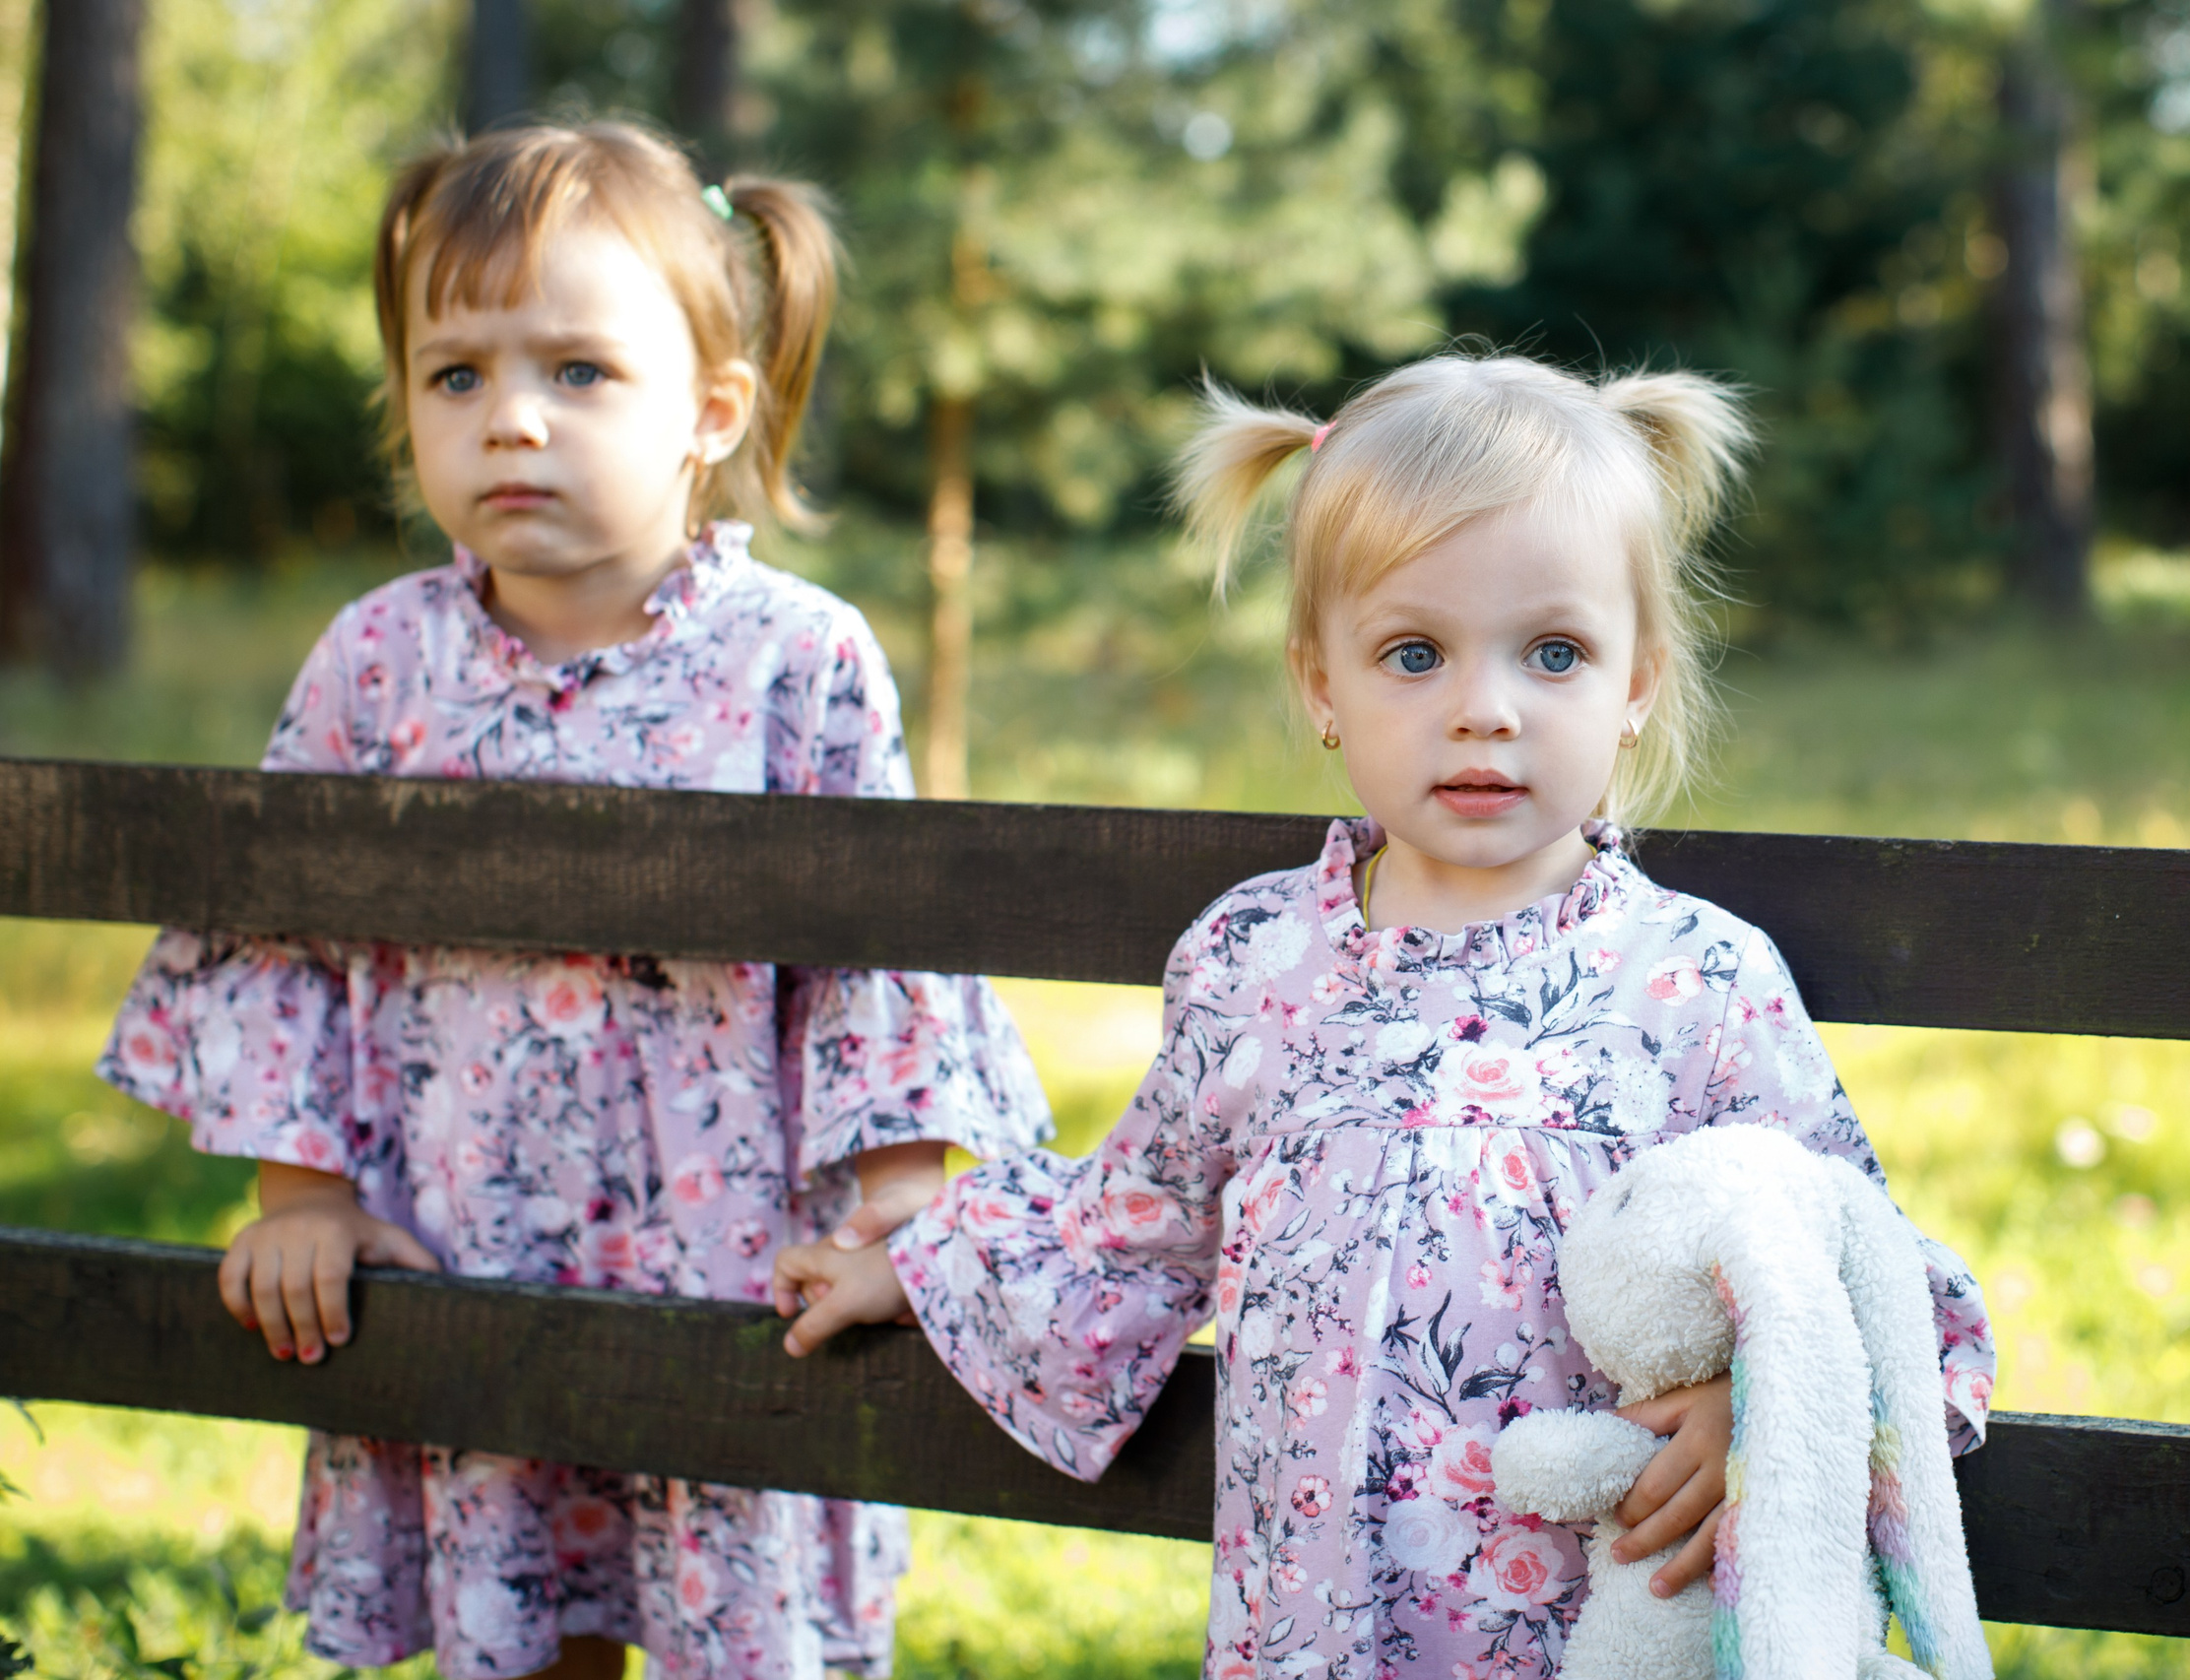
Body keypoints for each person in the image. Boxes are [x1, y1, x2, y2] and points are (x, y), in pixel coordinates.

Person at [771, 353, 1996, 1678]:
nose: (1485, 705)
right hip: (1322, 1623)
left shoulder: (1697, 982)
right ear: (1319, 684)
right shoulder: (1255, 960)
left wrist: (1757, 1407)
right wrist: (926, 1263)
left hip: (1593, 1625)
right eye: (1413, 653)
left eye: (1555, 651)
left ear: (1637, 680)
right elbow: (1137, 1220)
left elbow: (1862, 1270)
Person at [96, 121, 1053, 1680]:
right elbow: (269, 931)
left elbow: (886, 949)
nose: (511, 422)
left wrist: (895, 1203)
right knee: (522, 1613)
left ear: (709, 410)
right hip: (465, 1230)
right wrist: (305, 1193)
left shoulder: (791, 659)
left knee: (717, 1618)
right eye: (455, 373)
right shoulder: (378, 661)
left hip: (720, 1249)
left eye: (579, 372)